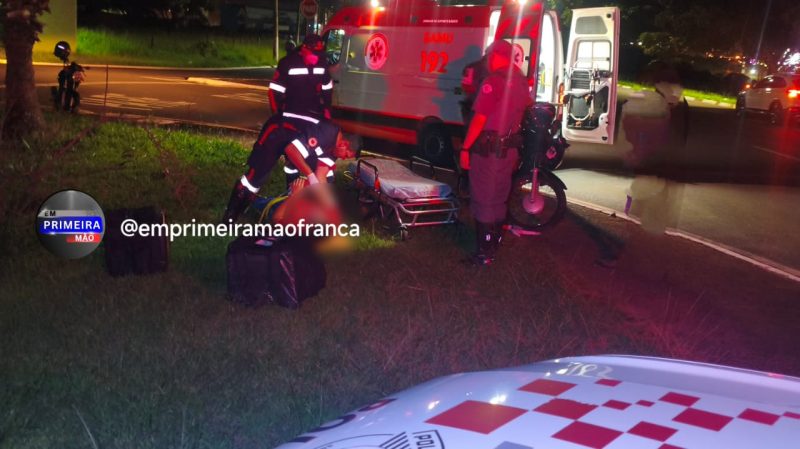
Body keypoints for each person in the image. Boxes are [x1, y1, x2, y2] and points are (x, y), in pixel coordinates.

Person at [460, 39, 532, 266]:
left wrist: (465, 148)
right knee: (499, 197)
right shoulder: (521, 82)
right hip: (509, 151)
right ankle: (495, 243)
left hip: (488, 152)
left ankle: (484, 252)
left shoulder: (494, 81)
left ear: (495, 56)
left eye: (489, 57)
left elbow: (480, 118)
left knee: (483, 198)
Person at [222, 115, 354, 223]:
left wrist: (331, 205)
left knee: (300, 175)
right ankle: (230, 216)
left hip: (295, 139)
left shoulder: (335, 149)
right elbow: (291, 150)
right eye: (346, 155)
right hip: (278, 132)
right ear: (343, 144)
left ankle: (272, 201)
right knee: (255, 178)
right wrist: (310, 176)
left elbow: (322, 177)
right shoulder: (326, 134)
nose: (343, 158)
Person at [269, 34, 333, 120]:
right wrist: (276, 113)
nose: (317, 57)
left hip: (313, 113)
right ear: (304, 48)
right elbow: (274, 91)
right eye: (314, 53)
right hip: (291, 113)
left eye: (319, 54)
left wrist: (327, 109)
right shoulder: (287, 63)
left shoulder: (321, 63)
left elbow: (327, 89)